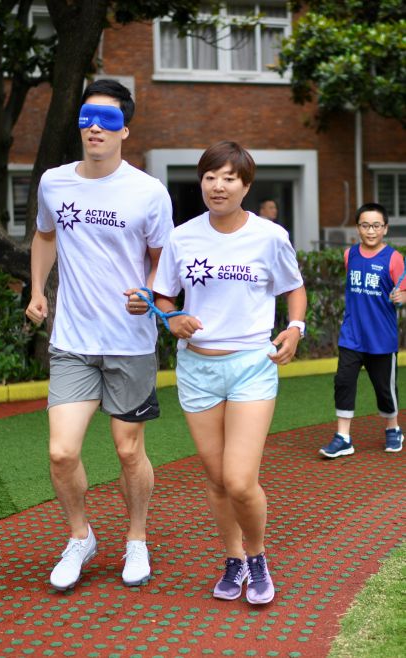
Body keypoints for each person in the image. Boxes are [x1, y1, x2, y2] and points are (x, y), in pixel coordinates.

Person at [25, 78, 173, 591]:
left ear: (124, 130)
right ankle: (80, 536)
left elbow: (163, 260)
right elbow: (45, 235)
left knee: (129, 452)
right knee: (61, 452)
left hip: (130, 343)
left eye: (107, 120)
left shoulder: (148, 192)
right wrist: (37, 289)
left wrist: (150, 294)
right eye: (87, 118)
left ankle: (136, 538)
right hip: (72, 341)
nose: (94, 127)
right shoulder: (54, 183)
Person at [152, 141, 307, 605]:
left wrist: (295, 328)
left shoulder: (269, 236)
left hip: (251, 367)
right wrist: (171, 318)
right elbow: (164, 296)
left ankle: (257, 557)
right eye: (209, 177)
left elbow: (294, 289)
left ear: (246, 185)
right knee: (218, 480)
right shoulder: (183, 237)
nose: (217, 186)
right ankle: (233, 557)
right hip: (197, 367)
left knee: (240, 480)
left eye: (228, 178)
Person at [319, 202, 406, 459]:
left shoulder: (393, 258)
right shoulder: (350, 255)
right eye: (365, 225)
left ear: (385, 228)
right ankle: (343, 437)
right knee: (343, 382)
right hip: (352, 334)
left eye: (376, 226)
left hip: (381, 337)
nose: (371, 231)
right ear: (358, 228)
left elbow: (403, 291)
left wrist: (401, 297)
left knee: (385, 388)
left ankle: (393, 428)